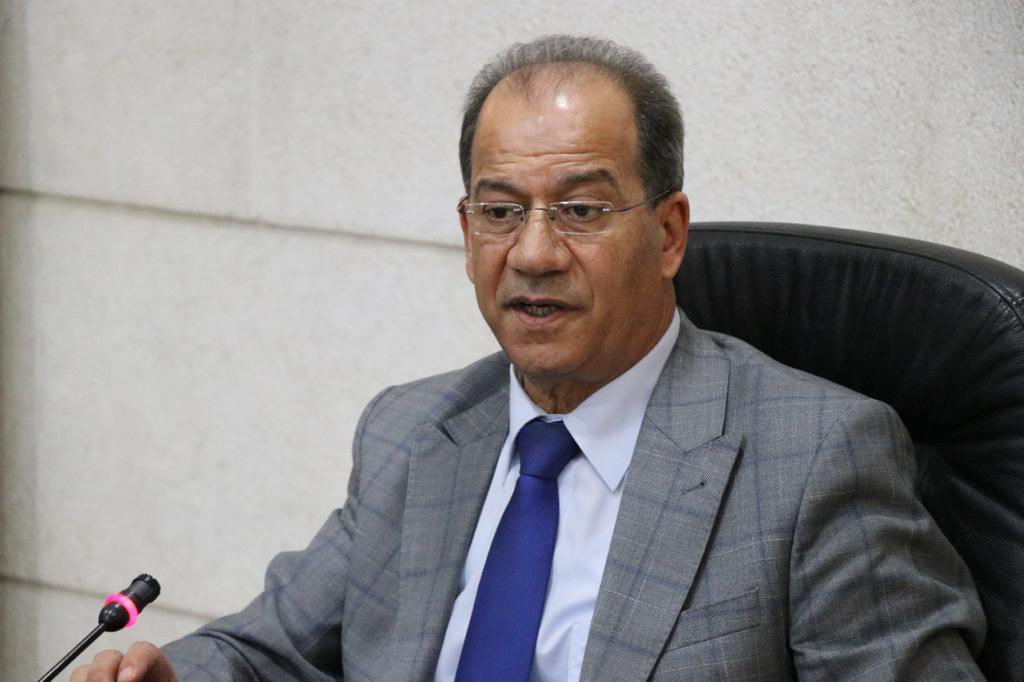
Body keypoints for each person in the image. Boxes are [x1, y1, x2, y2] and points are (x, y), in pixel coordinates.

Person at [72, 35, 985, 681]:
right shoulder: (414, 434)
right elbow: (264, 649)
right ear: (467, 232)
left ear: (669, 234)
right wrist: (172, 675)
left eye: (582, 210)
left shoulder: (817, 460)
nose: (535, 253)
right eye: (501, 212)